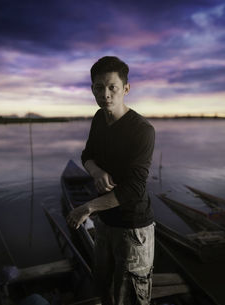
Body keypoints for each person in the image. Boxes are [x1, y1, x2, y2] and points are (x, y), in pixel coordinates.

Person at [66, 56, 155, 305]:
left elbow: (134, 189)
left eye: (112, 87)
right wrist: (95, 171)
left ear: (126, 89)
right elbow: (87, 155)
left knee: (131, 297)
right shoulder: (98, 118)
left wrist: (88, 207)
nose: (105, 94)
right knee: (104, 287)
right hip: (105, 222)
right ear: (92, 89)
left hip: (133, 227)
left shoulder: (142, 130)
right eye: (98, 87)